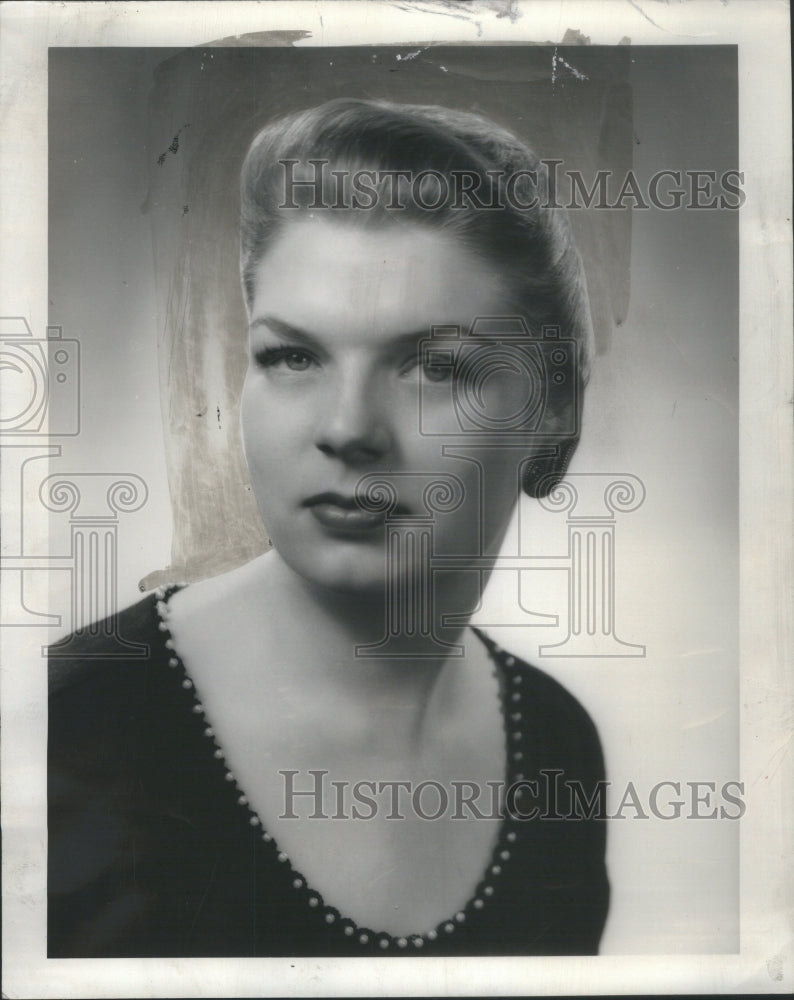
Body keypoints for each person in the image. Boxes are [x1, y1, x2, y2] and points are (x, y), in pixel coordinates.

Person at [48, 98, 609, 957]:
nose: (348, 427)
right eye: (293, 356)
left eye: (435, 367)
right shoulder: (62, 722)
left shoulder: (560, 747)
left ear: (549, 406)